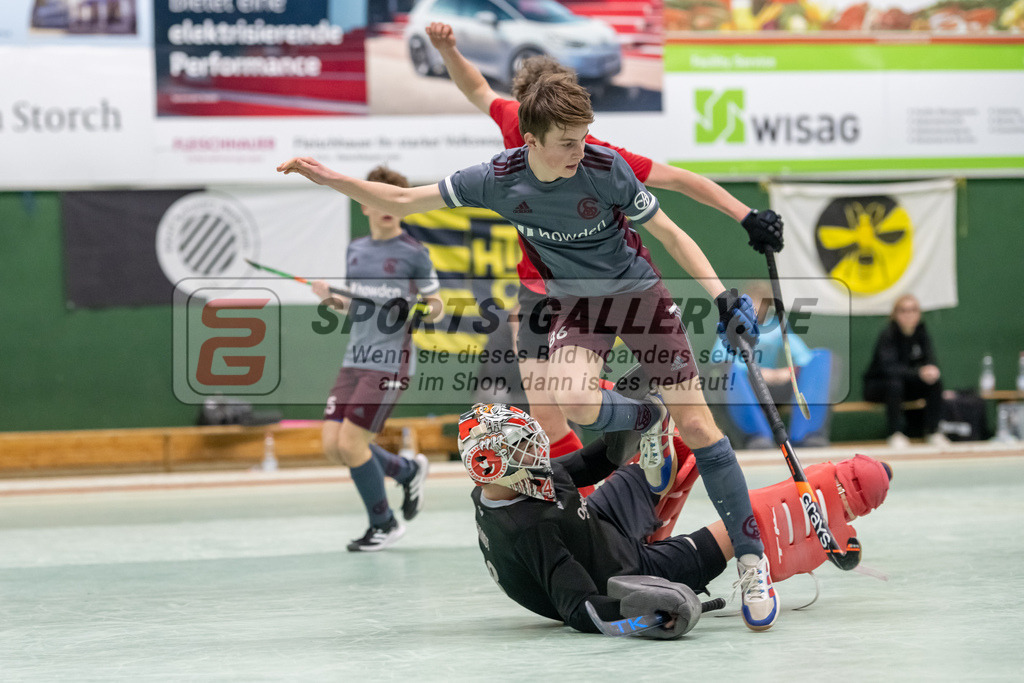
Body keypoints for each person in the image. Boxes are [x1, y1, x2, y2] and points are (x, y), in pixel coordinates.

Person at [276, 73, 778, 629]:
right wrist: (328, 178)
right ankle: (649, 417)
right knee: (577, 403)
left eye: (585, 136)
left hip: (639, 295)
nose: (579, 150)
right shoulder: (497, 179)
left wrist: (722, 296)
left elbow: (672, 233)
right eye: (568, 142)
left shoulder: (604, 168)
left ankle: (753, 561)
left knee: (703, 428)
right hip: (574, 305)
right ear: (531, 140)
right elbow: (401, 198)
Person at [423, 21, 784, 460]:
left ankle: (639, 413)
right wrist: (447, 51)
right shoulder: (513, 127)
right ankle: (587, 508)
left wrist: (745, 215)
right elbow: (477, 87)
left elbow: (681, 180)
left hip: (597, 287)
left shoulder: (597, 159)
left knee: (573, 394)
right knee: (545, 411)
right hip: (537, 288)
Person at [456, 403, 892, 636]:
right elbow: (581, 608)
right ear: (496, 464)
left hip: (596, 526)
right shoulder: (532, 528)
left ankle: (655, 481)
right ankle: (840, 502)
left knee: (682, 446)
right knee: (742, 529)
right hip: (623, 571)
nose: (538, 457)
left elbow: (595, 462)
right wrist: (640, 618)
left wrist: (634, 409)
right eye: (526, 451)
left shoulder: (510, 485)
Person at [310, 165, 445, 551]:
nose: (385, 206)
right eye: (376, 197)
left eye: (392, 199)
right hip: (355, 358)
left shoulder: (414, 254)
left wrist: (416, 311)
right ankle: (406, 470)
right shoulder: (356, 250)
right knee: (333, 445)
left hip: (390, 362)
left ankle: (383, 523)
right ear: (364, 204)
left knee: (353, 444)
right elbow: (358, 308)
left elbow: (435, 305)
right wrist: (329, 298)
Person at [710, 280, 833, 449]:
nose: (758, 308)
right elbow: (718, 360)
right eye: (753, 302)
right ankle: (757, 437)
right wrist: (756, 372)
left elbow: (804, 356)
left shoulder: (776, 326)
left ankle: (805, 435)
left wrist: (789, 371)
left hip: (773, 387)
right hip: (746, 387)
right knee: (727, 370)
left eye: (764, 303)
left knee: (821, 357)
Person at [863, 294, 948, 449]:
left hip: (907, 385)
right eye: (904, 310)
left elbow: (930, 360)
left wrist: (931, 370)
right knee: (895, 384)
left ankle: (933, 431)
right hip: (879, 386)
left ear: (919, 313)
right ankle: (895, 433)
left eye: (913, 310)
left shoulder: (922, 333)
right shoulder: (888, 335)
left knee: (935, 382)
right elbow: (888, 369)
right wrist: (918, 373)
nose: (909, 314)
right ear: (895, 314)